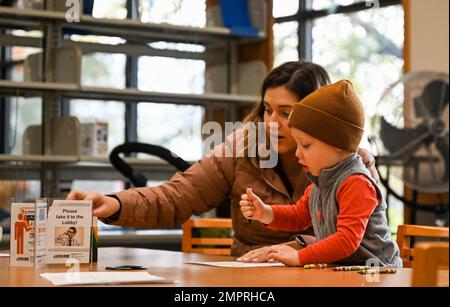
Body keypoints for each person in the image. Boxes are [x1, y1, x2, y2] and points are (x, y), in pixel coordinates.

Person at [67, 61, 379, 258]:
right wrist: (115, 203)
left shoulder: (352, 167)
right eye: (267, 110)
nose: (271, 122)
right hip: (249, 283)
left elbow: (354, 241)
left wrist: (299, 246)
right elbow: (179, 196)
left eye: (287, 113)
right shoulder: (241, 148)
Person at [240, 80, 402, 267]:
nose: (297, 153)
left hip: (379, 274)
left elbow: (346, 240)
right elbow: (298, 216)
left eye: (306, 145)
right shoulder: (320, 183)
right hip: (347, 273)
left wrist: (299, 256)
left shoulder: (357, 183)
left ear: (338, 144)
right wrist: (265, 213)